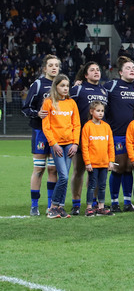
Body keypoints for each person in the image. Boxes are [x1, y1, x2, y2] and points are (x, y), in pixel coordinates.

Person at [22, 55, 61, 216]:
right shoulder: (38, 85)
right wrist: (37, 113)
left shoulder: (62, 85)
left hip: (57, 133)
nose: (54, 68)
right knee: (39, 169)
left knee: (53, 169)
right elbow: (26, 108)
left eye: (56, 65)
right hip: (40, 132)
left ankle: (51, 205)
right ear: (44, 68)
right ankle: (34, 205)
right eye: (50, 65)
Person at [68, 61, 108, 216]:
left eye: (98, 69)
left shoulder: (104, 91)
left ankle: (95, 203)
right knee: (79, 170)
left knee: (97, 172)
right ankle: (76, 203)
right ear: (85, 75)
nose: (96, 72)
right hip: (81, 136)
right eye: (92, 70)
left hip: (98, 139)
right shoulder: (78, 89)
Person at [105, 56, 134, 212]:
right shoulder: (112, 85)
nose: (132, 70)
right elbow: (97, 94)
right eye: (128, 68)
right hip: (118, 133)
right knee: (118, 167)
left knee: (129, 167)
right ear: (120, 72)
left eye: (133, 68)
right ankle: (114, 201)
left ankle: (127, 202)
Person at [41, 74, 80, 218]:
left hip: (70, 145)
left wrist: (75, 143)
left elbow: (76, 124)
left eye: (67, 86)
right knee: (63, 176)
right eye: (62, 85)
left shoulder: (71, 103)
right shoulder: (48, 102)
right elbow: (46, 126)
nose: (65, 88)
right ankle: (52, 207)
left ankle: (60, 208)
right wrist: (54, 144)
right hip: (57, 145)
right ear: (56, 86)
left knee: (65, 176)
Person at [81, 101, 115, 216]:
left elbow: (111, 145)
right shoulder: (87, 126)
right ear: (91, 112)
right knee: (92, 185)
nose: (101, 113)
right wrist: (87, 162)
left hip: (104, 163)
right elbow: (85, 146)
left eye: (102, 111)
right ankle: (89, 207)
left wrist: (111, 161)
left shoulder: (106, 127)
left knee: (102, 185)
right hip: (93, 163)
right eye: (98, 111)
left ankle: (101, 206)